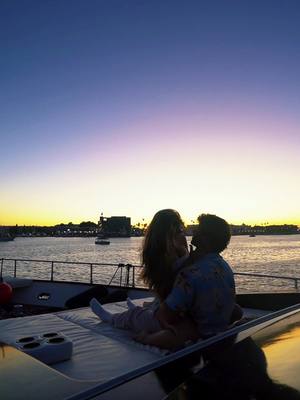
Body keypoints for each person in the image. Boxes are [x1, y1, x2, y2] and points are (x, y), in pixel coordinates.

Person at [90, 209, 198, 343]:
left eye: (180, 232)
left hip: (175, 317)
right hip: (178, 312)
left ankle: (111, 318)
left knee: (134, 316)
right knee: (150, 308)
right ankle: (148, 308)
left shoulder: (174, 263)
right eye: (179, 231)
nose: (182, 237)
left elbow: (170, 293)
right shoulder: (186, 258)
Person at [137, 214, 239, 348]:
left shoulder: (189, 275)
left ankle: (145, 339)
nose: (194, 231)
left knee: (168, 331)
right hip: (221, 325)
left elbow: (166, 314)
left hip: (200, 331)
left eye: (199, 230)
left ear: (206, 239)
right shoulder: (224, 266)